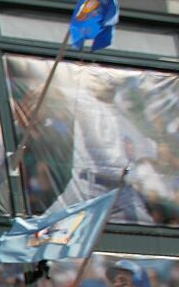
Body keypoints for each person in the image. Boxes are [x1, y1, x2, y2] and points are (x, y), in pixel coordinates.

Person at [38, 68, 154, 224]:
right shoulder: (85, 101)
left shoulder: (125, 118)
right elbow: (52, 91)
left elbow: (150, 152)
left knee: (146, 227)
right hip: (88, 186)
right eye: (103, 80)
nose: (108, 85)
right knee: (46, 229)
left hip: (122, 190)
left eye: (112, 82)